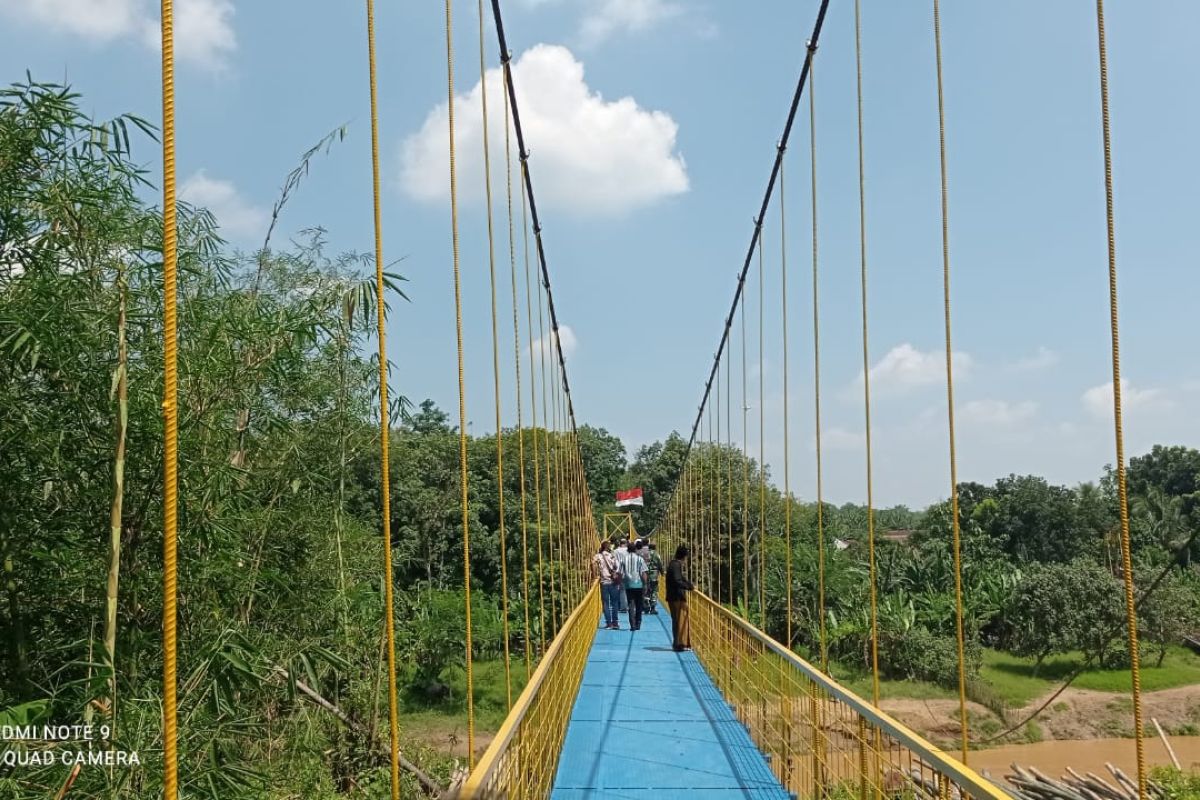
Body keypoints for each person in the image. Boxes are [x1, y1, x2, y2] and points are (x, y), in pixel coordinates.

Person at [665, 545, 694, 651]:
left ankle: (680, 643)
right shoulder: (676, 565)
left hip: (674, 597)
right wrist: (688, 587)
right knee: (678, 620)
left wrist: (688, 584)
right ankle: (678, 644)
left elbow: (680, 578)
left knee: (678, 620)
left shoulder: (674, 563)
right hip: (676, 597)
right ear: (684, 557)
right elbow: (677, 580)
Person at [592, 540, 622, 630]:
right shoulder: (612, 555)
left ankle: (609, 624)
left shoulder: (598, 556)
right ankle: (615, 623)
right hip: (613, 582)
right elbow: (617, 567)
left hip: (604, 582)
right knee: (615, 603)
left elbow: (592, 563)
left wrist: (594, 575)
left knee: (606, 603)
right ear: (608, 546)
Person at [620, 541, 648, 632]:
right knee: (639, 605)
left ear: (628, 549)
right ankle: (638, 624)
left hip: (628, 585)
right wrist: (645, 584)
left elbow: (620, 573)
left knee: (631, 605)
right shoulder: (640, 559)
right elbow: (643, 573)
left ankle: (632, 625)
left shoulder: (623, 559)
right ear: (635, 549)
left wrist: (621, 582)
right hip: (639, 585)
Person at [643, 542, 664, 615]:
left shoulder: (644, 554)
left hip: (645, 574)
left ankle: (646, 607)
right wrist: (662, 572)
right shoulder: (656, 554)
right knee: (654, 591)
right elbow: (660, 564)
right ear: (655, 547)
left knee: (646, 591)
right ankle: (653, 608)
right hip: (654, 575)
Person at [613, 538, 630, 613]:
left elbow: (614, 562)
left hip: (619, 572)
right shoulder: (629, 550)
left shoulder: (616, 551)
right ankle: (630, 605)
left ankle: (623, 607)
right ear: (626, 543)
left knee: (621, 590)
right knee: (629, 589)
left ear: (620, 543)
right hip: (629, 571)